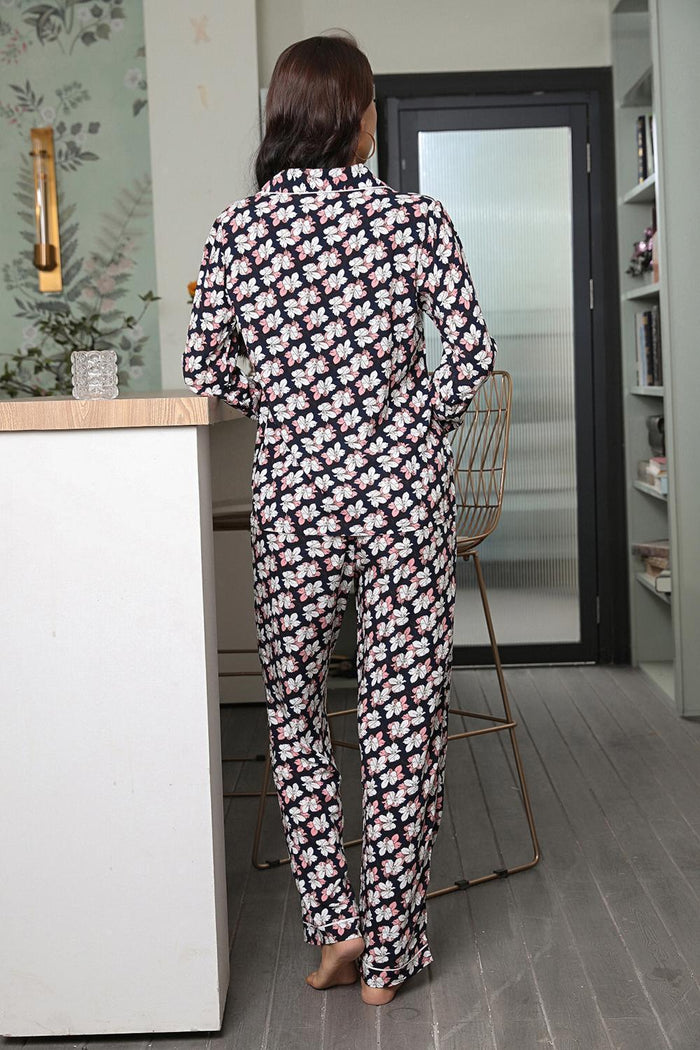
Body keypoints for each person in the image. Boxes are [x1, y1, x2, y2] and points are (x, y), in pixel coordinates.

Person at [183, 30, 498, 1007]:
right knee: (403, 715)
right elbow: (472, 352)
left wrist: (288, 406)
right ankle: (392, 956)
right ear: (356, 119)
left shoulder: (236, 231)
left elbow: (203, 368)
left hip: (296, 499)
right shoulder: (415, 220)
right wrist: (407, 422)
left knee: (295, 715)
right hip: (402, 497)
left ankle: (336, 930)